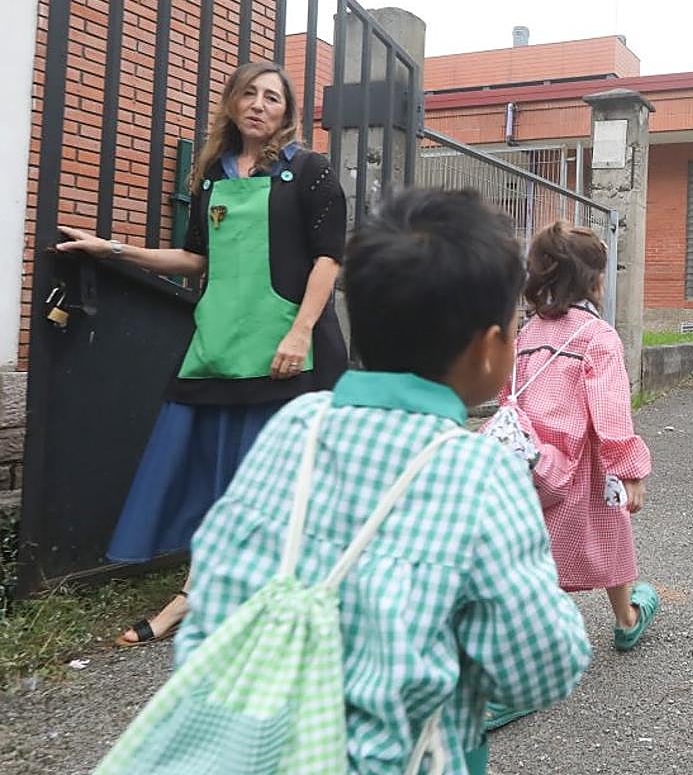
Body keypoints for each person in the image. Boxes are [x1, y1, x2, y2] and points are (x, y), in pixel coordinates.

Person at [173, 188, 592, 772]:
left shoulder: (296, 425)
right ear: (491, 349)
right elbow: (540, 666)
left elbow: (213, 595)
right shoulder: (479, 472)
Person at [55, 61, 348, 645]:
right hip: (219, 347)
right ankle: (198, 595)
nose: (260, 105)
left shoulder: (309, 171)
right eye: (251, 94)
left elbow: (328, 258)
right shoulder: (213, 175)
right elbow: (196, 260)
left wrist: (299, 332)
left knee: (291, 483)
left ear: (287, 113)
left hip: (289, 354)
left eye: (273, 98)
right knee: (219, 481)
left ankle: (302, 600)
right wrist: (114, 250)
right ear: (233, 104)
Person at [484, 221, 655, 728]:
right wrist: (631, 470)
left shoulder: (528, 332)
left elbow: (505, 392)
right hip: (582, 464)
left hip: (528, 462)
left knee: (532, 555)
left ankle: (524, 644)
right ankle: (623, 621)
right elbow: (610, 412)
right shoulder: (597, 337)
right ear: (595, 282)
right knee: (610, 533)